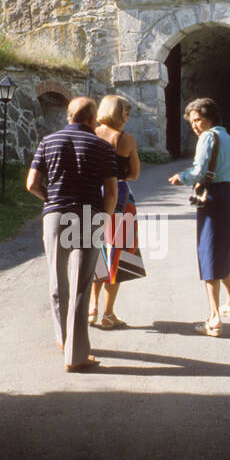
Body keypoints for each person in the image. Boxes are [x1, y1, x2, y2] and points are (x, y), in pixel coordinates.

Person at [26, 96, 118, 371]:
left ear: (69, 116)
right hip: (89, 214)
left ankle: (63, 340)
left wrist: (49, 200)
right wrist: (105, 218)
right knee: (82, 285)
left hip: (56, 215)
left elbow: (31, 183)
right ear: (92, 120)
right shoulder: (102, 147)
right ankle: (76, 356)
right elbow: (112, 191)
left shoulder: (48, 141)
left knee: (58, 280)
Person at [168, 97, 230, 336]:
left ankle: (213, 318)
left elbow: (199, 171)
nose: (195, 126)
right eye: (192, 122)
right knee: (226, 251)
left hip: (213, 198)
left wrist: (182, 176)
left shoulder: (208, 137)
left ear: (210, 118)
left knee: (209, 253)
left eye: (197, 120)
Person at [88, 94, 144, 329]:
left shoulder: (91, 133)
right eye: (126, 112)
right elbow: (134, 174)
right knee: (117, 255)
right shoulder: (125, 138)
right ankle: (108, 314)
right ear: (119, 113)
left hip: (92, 195)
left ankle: (92, 308)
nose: (128, 117)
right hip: (120, 195)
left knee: (96, 251)